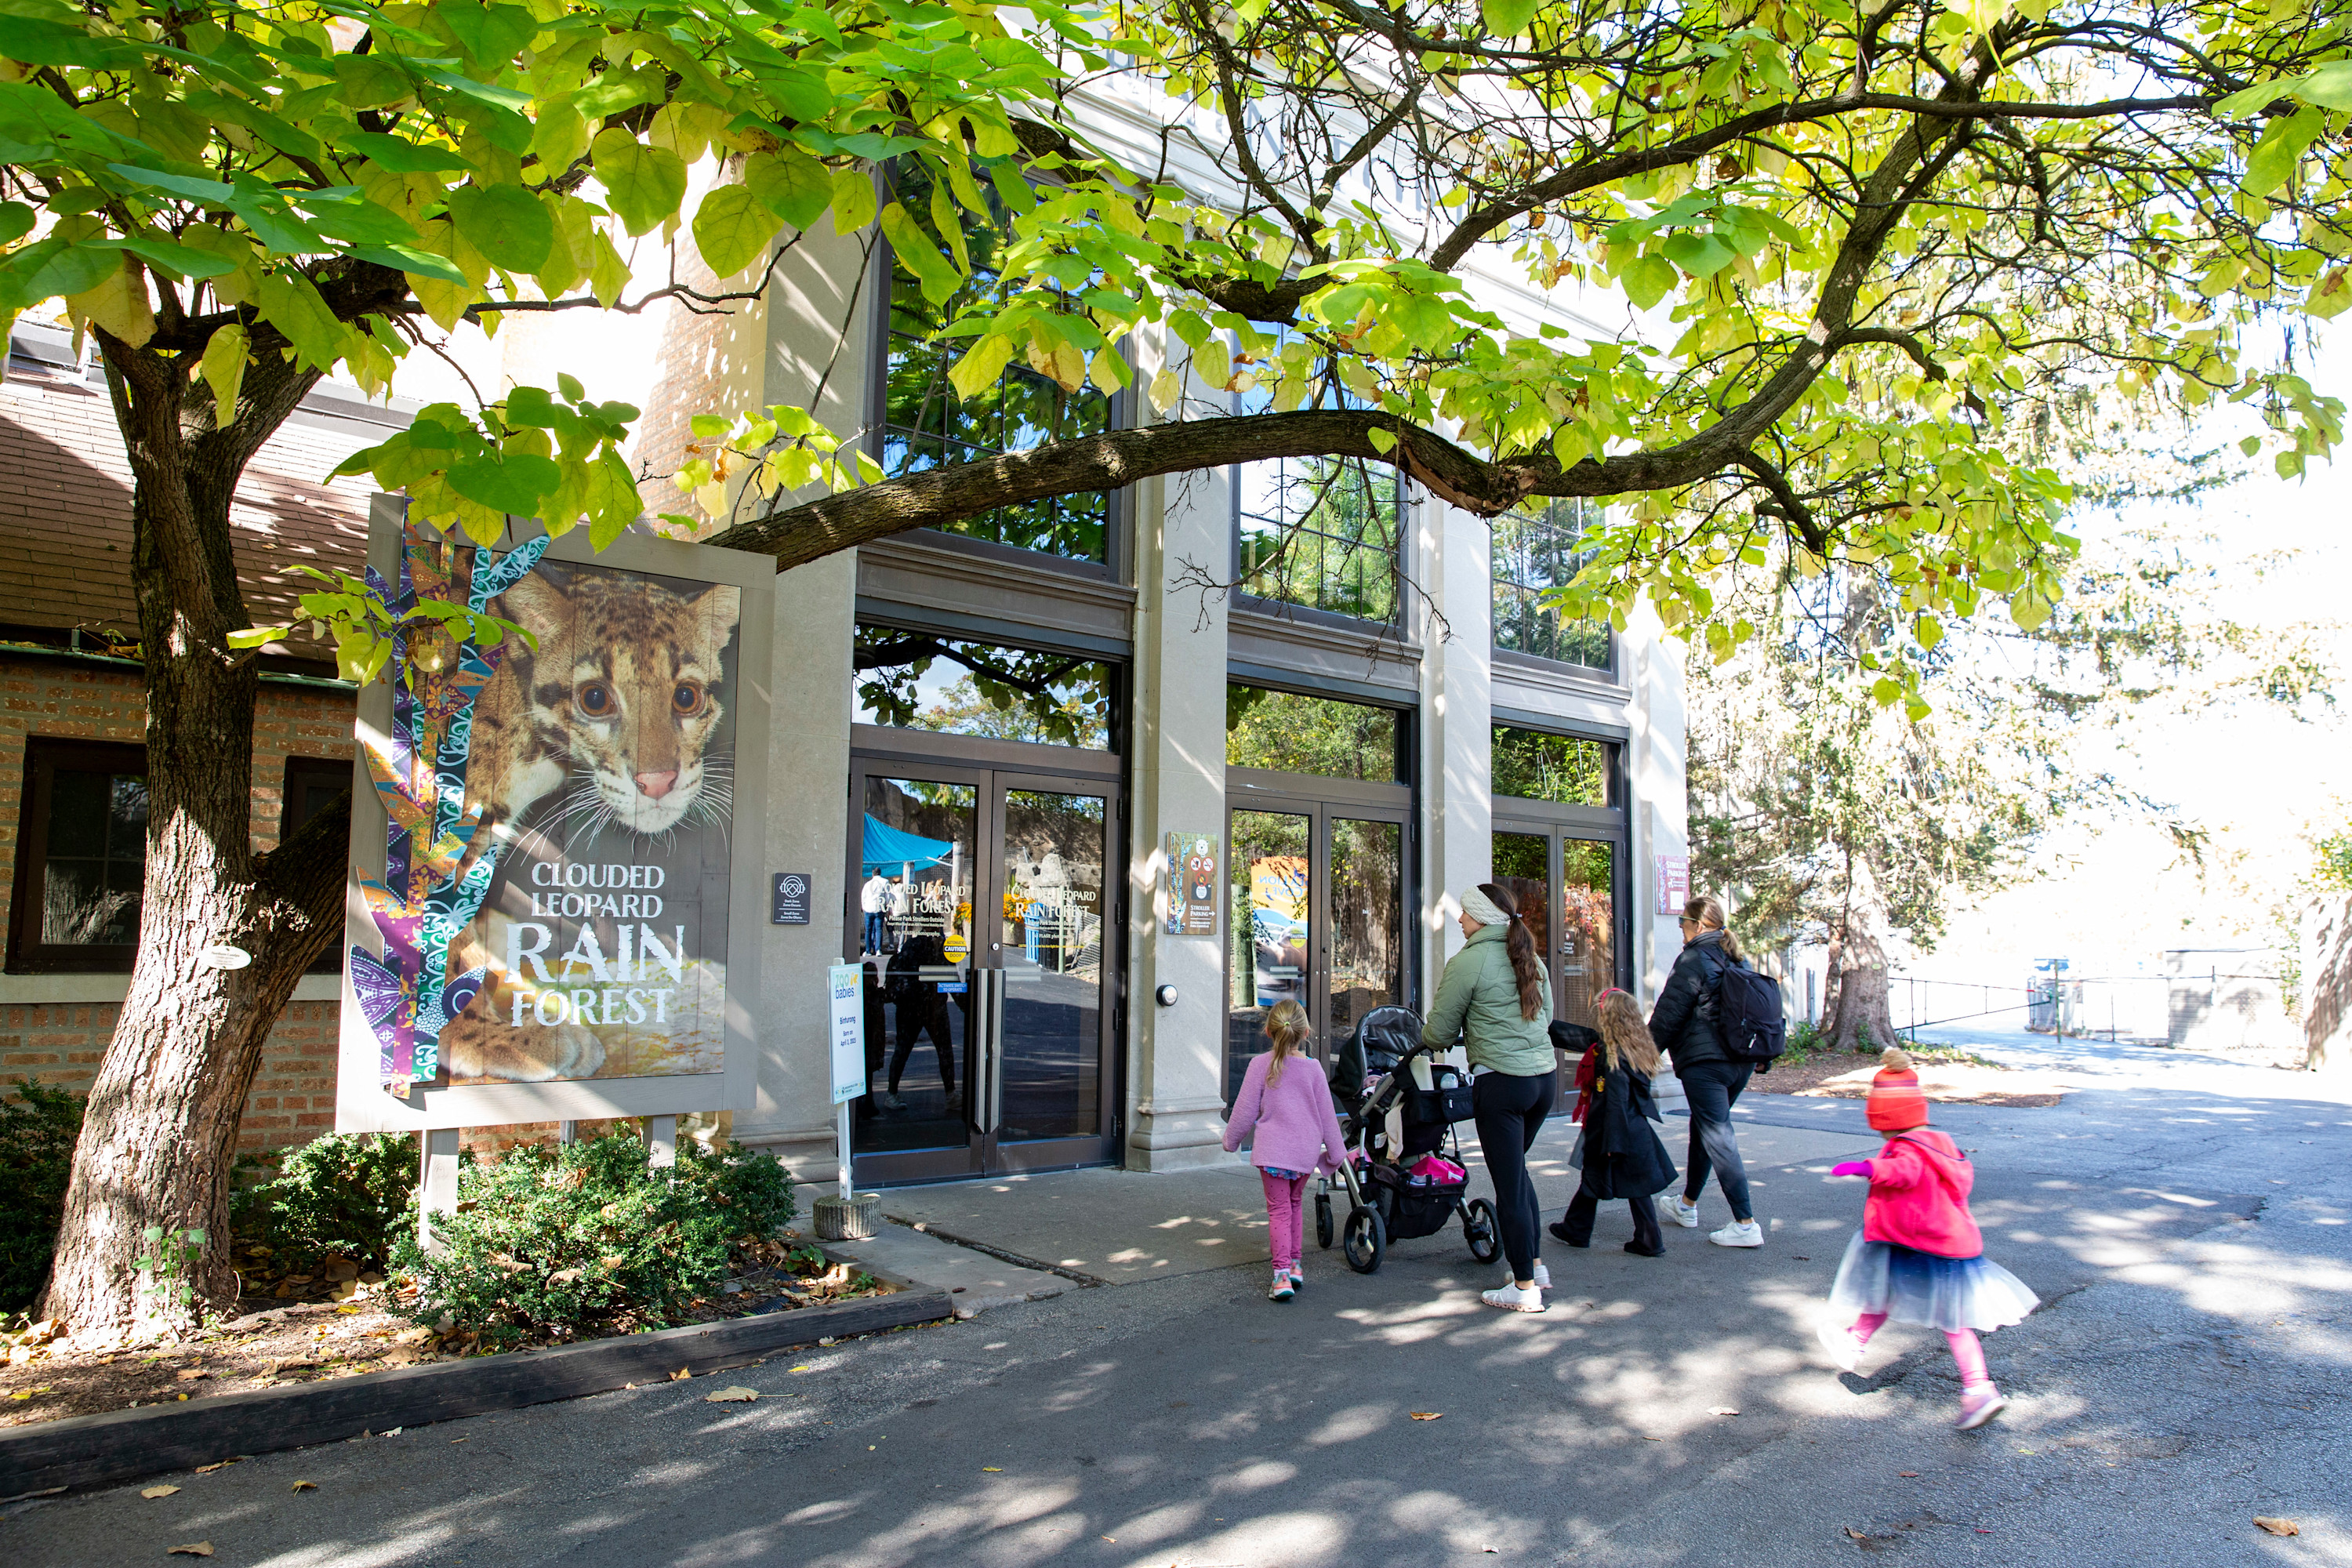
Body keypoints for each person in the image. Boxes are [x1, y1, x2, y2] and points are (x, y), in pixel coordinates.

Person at [1820, 1049, 2039, 1429]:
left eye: (1882, 1128)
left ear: (1890, 1120)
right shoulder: (1939, 1143)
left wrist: (1866, 1167)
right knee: (1944, 1318)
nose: (1881, 1135)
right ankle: (1975, 1387)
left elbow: (1902, 1171)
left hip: (1920, 1242)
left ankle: (1977, 1388)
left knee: (1893, 1294)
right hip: (1943, 1243)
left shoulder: (1909, 1149)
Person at [1425, 882, 1559, 1312]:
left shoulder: (1470, 961)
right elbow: (1547, 1016)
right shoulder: (1530, 957)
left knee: (1509, 1185)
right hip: (1543, 1081)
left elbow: (1439, 1031)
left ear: (1481, 916)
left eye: (1464, 914)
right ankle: (1535, 1267)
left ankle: (1523, 1289)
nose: (1460, 921)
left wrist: (1457, 1034)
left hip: (1502, 1084)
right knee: (1517, 1174)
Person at [1650, 893, 1765, 1247]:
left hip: (1706, 1066)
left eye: (1683, 922)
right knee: (1705, 1129)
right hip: (1739, 1064)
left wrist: (1640, 1057)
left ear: (1698, 926)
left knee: (1718, 1136)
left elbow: (1668, 1015)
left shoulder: (1694, 958)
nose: (1681, 928)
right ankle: (1687, 1205)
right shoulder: (1737, 959)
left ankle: (1745, 1223)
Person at [1223, 1000, 1350, 1301]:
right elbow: (1327, 1116)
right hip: (1303, 1156)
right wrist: (1336, 1154)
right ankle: (1294, 1266)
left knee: (1279, 1211)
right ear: (1306, 1032)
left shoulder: (1259, 1066)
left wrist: (1230, 1141)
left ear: (1268, 1031)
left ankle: (1281, 1276)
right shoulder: (1314, 1069)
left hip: (1273, 1155)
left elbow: (1243, 1112)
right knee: (1294, 1205)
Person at [1550, 989, 1676, 1257]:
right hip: (1632, 1129)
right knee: (1623, 1184)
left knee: (1599, 1180)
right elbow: (1584, 1038)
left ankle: (1582, 1231)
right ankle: (1580, 1230)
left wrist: (1612, 1142)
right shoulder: (1636, 1046)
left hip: (1612, 1130)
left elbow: (1616, 1101)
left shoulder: (1613, 1056)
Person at [859, 869, 890, 955]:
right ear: (880, 873)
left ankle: (868, 950)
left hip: (868, 909)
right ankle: (878, 950)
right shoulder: (885, 882)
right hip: (879, 908)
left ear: (873, 874)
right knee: (879, 930)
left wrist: (864, 907)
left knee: (868, 930)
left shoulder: (867, 884)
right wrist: (887, 906)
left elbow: (863, 897)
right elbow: (887, 895)